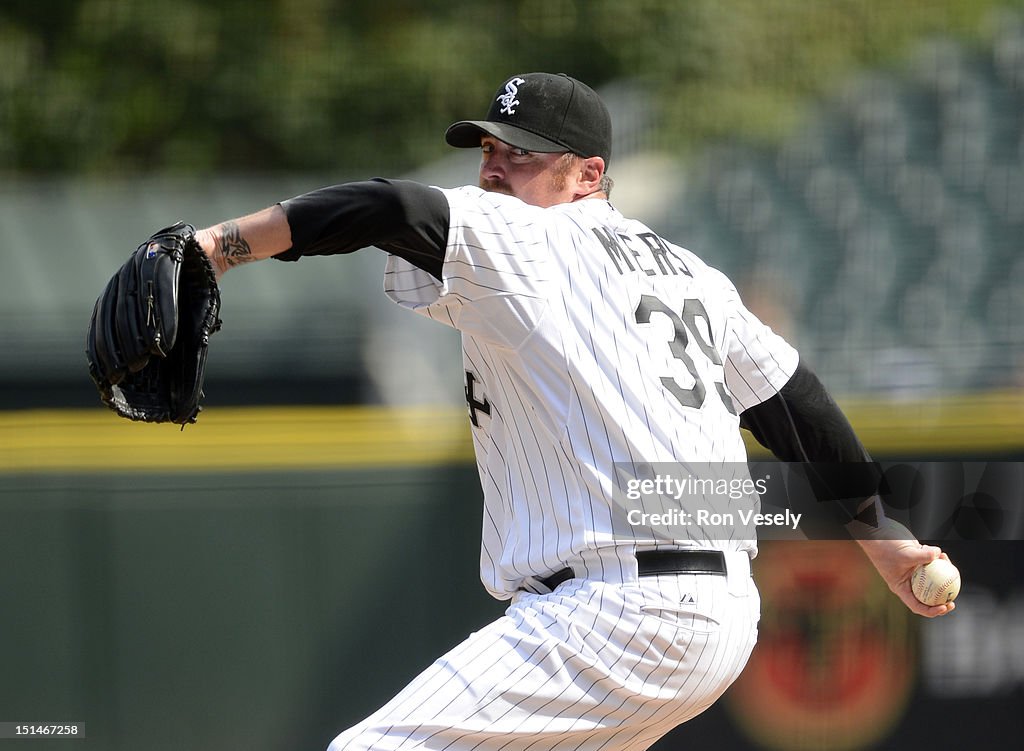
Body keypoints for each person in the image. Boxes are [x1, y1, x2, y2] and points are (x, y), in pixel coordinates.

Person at [189, 72, 955, 751]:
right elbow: (796, 405)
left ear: (588, 173)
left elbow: (385, 206)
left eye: (520, 154)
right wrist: (890, 542)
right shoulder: (693, 273)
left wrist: (216, 246)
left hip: (616, 607)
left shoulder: (530, 233)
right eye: (488, 149)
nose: (493, 169)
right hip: (709, 615)